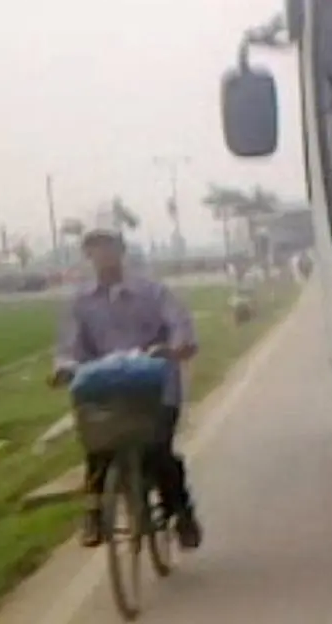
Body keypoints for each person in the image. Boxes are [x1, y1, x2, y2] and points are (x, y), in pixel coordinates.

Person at [49, 227, 204, 549]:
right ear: (88, 256)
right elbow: (69, 346)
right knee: (97, 447)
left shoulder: (152, 292)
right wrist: (64, 369)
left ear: (122, 251)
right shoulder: (81, 302)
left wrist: (174, 349)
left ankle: (182, 514)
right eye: (95, 250)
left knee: (159, 450)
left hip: (155, 389)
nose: (103, 256)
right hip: (105, 391)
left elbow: (179, 325)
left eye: (109, 248)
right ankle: (93, 514)